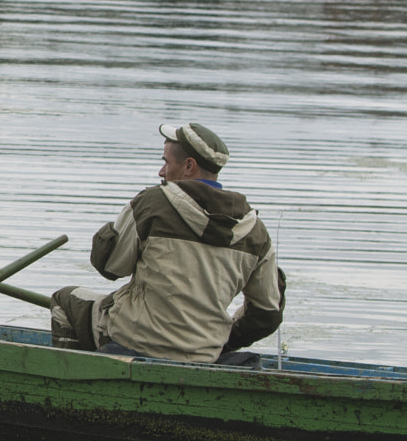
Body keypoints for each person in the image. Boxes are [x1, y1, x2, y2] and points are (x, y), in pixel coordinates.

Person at [51, 122, 282, 363]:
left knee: (64, 299)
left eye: (166, 162)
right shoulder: (256, 231)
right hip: (205, 352)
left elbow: (110, 267)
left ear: (189, 166)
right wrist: (218, 339)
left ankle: (71, 381)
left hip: (134, 340)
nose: (161, 172)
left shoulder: (151, 204)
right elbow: (266, 315)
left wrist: (110, 233)